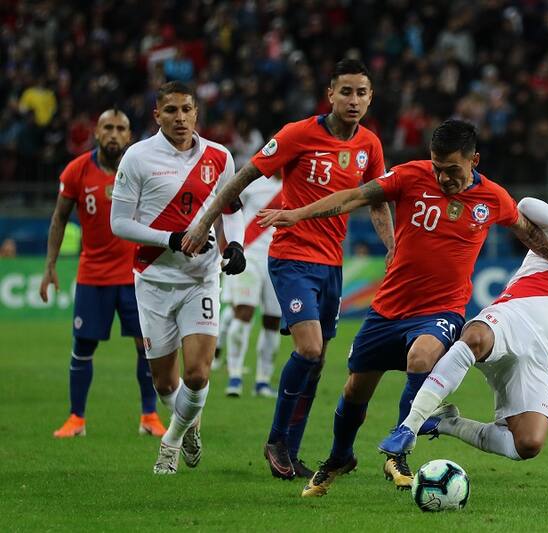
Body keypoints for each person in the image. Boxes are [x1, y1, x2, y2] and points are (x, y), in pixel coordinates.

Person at [258, 119, 548, 497]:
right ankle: (340, 456)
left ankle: (400, 447)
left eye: (453, 170)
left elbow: (527, 231)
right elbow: (353, 197)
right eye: (438, 168)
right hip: (389, 307)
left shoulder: (492, 198)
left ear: (475, 159)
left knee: (422, 357)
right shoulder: (409, 176)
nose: (444, 178)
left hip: (442, 309)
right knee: (356, 389)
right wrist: (299, 213)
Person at [181, 59, 394, 480]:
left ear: (370, 98)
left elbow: (377, 199)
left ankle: (291, 453)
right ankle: (276, 439)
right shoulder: (298, 134)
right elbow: (243, 177)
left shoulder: (369, 145)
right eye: (346, 92)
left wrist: (394, 249)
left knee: (317, 362)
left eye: (361, 93)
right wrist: (205, 223)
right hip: (292, 256)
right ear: (330, 94)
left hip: (332, 263)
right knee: (310, 349)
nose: (353, 100)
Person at [379, 202, 548, 483]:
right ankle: (408, 428)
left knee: (527, 444)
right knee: (475, 337)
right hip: (508, 323)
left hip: (535, 365)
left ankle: (444, 422)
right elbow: (525, 205)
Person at [110, 81, 246, 474]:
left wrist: (233, 245)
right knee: (165, 384)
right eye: (171, 111)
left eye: (186, 109)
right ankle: (186, 425)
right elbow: (118, 222)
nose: (180, 118)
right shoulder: (137, 157)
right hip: (152, 279)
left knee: (198, 372)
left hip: (200, 279)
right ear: (157, 115)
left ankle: (170, 442)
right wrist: (169, 239)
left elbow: (231, 207)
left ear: (196, 112)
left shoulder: (220, 158)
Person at [40, 109, 166, 439]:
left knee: (146, 346)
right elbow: (58, 219)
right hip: (93, 276)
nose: (113, 134)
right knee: (83, 346)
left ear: (129, 135)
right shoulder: (77, 170)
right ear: (96, 133)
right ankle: (76, 419)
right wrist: (49, 266)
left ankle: (149, 415)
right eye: (107, 128)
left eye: (120, 128)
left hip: (136, 276)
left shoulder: (141, 168)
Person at [222, 175, 284, 398]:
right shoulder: (252, 182)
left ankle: (263, 381)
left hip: (279, 259)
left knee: (272, 321)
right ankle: (235, 376)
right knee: (243, 313)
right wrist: (226, 249)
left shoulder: (295, 183)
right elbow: (229, 213)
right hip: (249, 257)